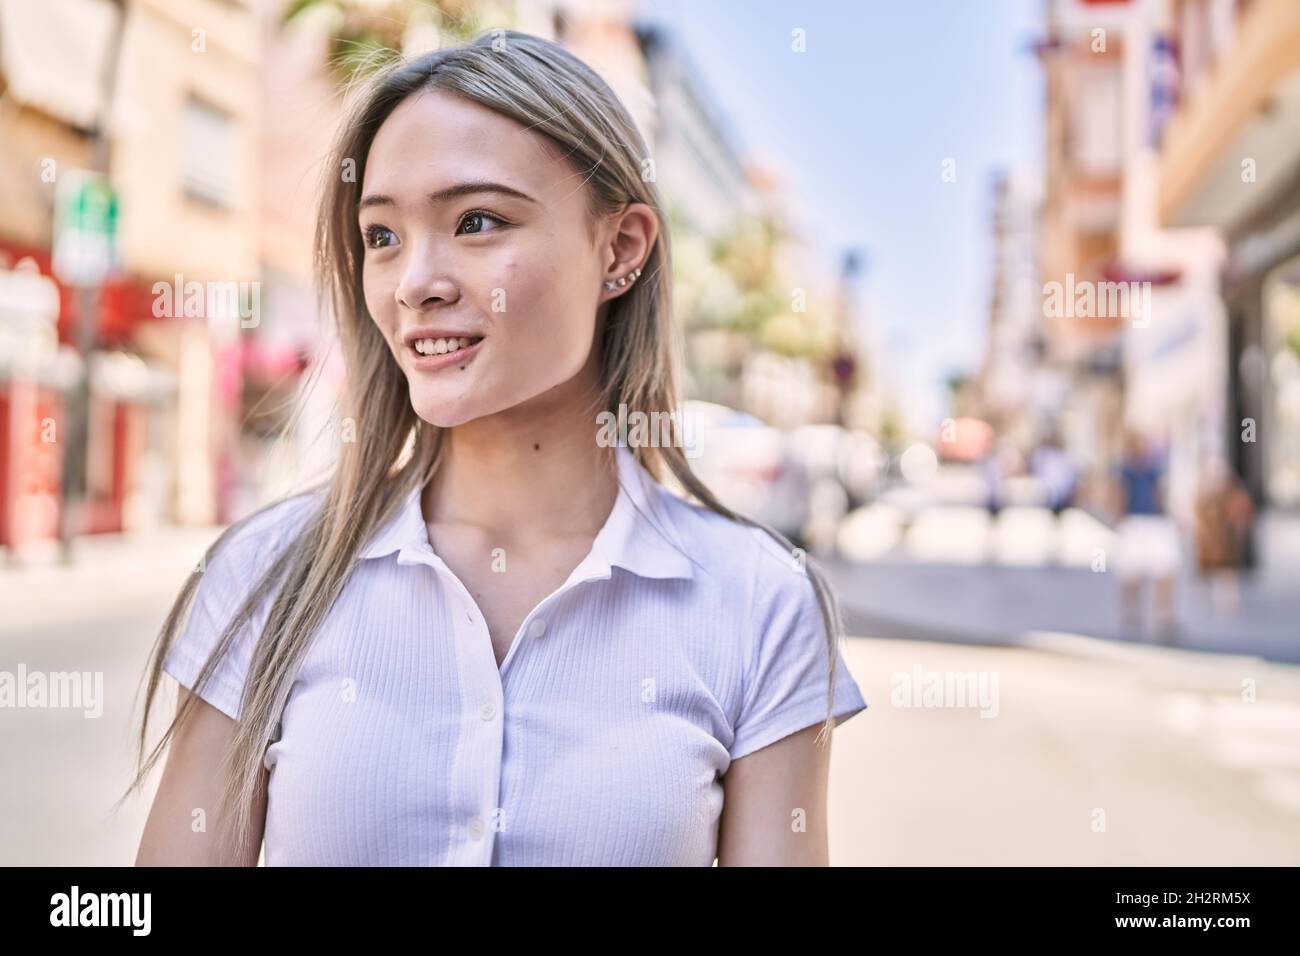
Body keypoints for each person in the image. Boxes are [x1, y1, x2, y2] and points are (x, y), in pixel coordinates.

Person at [126, 31, 866, 867]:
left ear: (620, 248)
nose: (415, 282)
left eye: (476, 222)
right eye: (382, 237)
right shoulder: (265, 575)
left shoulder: (760, 604)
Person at [1113, 430, 1180, 642]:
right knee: (1130, 571)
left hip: (1154, 522)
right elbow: (1119, 494)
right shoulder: (1125, 470)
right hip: (1134, 522)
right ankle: (1131, 613)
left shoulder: (1154, 470)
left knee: (1163, 570)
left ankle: (1164, 615)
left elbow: (1160, 494)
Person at [1194, 457, 1255, 617]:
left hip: (1225, 537)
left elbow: (1241, 510)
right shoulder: (1205, 494)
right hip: (1210, 537)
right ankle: (1210, 595)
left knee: (1227, 569)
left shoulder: (1232, 493)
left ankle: (1227, 600)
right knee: (1210, 566)